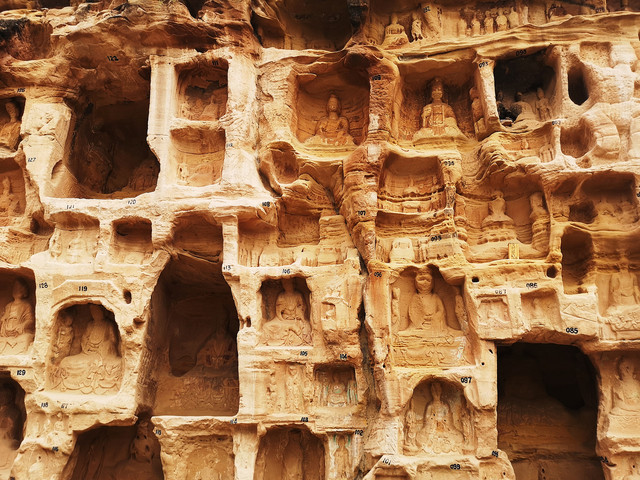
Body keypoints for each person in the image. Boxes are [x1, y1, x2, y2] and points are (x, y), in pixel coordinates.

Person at [413, 78, 466, 142]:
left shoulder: (447, 107)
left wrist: (447, 121)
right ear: (430, 93)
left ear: (443, 92)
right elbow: (424, 126)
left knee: (453, 132)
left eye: (439, 90)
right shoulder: (427, 107)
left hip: (445, 128)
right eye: (434, 90)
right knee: (419, 134)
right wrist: (424, 117)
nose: (436, 91)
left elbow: (453, 120)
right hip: (431, 130)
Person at [263, 279, 311, 346]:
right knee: (266, 326)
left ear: (293, 284)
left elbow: (303, 307)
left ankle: (291, 328)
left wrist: (299, 312)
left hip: (295, 319)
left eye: (289, 284)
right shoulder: (281, 296)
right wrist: (282, 319)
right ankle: (290, 327)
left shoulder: (298, 295)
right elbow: (278, 311)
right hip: (283, 320)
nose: (287, 286)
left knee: (307, 326)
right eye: (285, 284)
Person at [0, 279, 34, 354]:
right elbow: (4, 317)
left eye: (18, 288)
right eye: (14, 288)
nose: (15, 290)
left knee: (26, 338)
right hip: (6, 332)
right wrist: (3, 319)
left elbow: (30, 320)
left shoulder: (26, 305)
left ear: (23, 291)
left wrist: (22, 325)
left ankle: (17, 350)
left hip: (18, 332)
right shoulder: (8, 305)